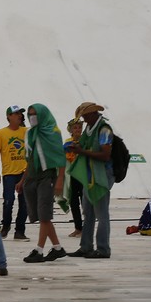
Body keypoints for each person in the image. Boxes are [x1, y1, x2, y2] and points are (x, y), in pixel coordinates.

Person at [19, 104, 68, 263]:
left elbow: (60, 157)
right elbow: (30, 159)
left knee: (44, 214)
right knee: (41, 216)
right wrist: (23, 180)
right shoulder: (30, 133)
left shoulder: (53, 132)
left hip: (47, 177)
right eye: (29, 114)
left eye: (35, 114)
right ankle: (57, 248)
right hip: (32, 178)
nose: (32, 117)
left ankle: (39, 250)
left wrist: (60, 179)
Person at [67, 102, 114, 259]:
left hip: (102, 176)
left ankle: (103, 249)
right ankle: (86, 247)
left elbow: (106, 155)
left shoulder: (104, 129)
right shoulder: (89, 129)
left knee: (101, 214)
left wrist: (82, 151)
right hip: (90, 175)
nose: (84, 120)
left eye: (86, 116)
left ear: (94, 114)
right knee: (88, 211)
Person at [0, 105, 29, 240]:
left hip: (24, 171)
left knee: (24, 202)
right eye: (16, 114)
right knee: (8, 200)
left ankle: (20, 230)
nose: (19, 116)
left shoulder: (26, 131)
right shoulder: (1, 133)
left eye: (20, 113)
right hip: (9, 172)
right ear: (9, 116)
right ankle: (6, 225)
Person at [63, 117, 84, 238]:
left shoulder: (85, 141)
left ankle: (86, 227)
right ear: (70, 130)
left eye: (79, 127)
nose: (77, 130)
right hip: (72, 176)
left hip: (83, 175)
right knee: (74, 202)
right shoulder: (67, 143)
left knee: (85, 202)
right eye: (75, 128)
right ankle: (78, 227)